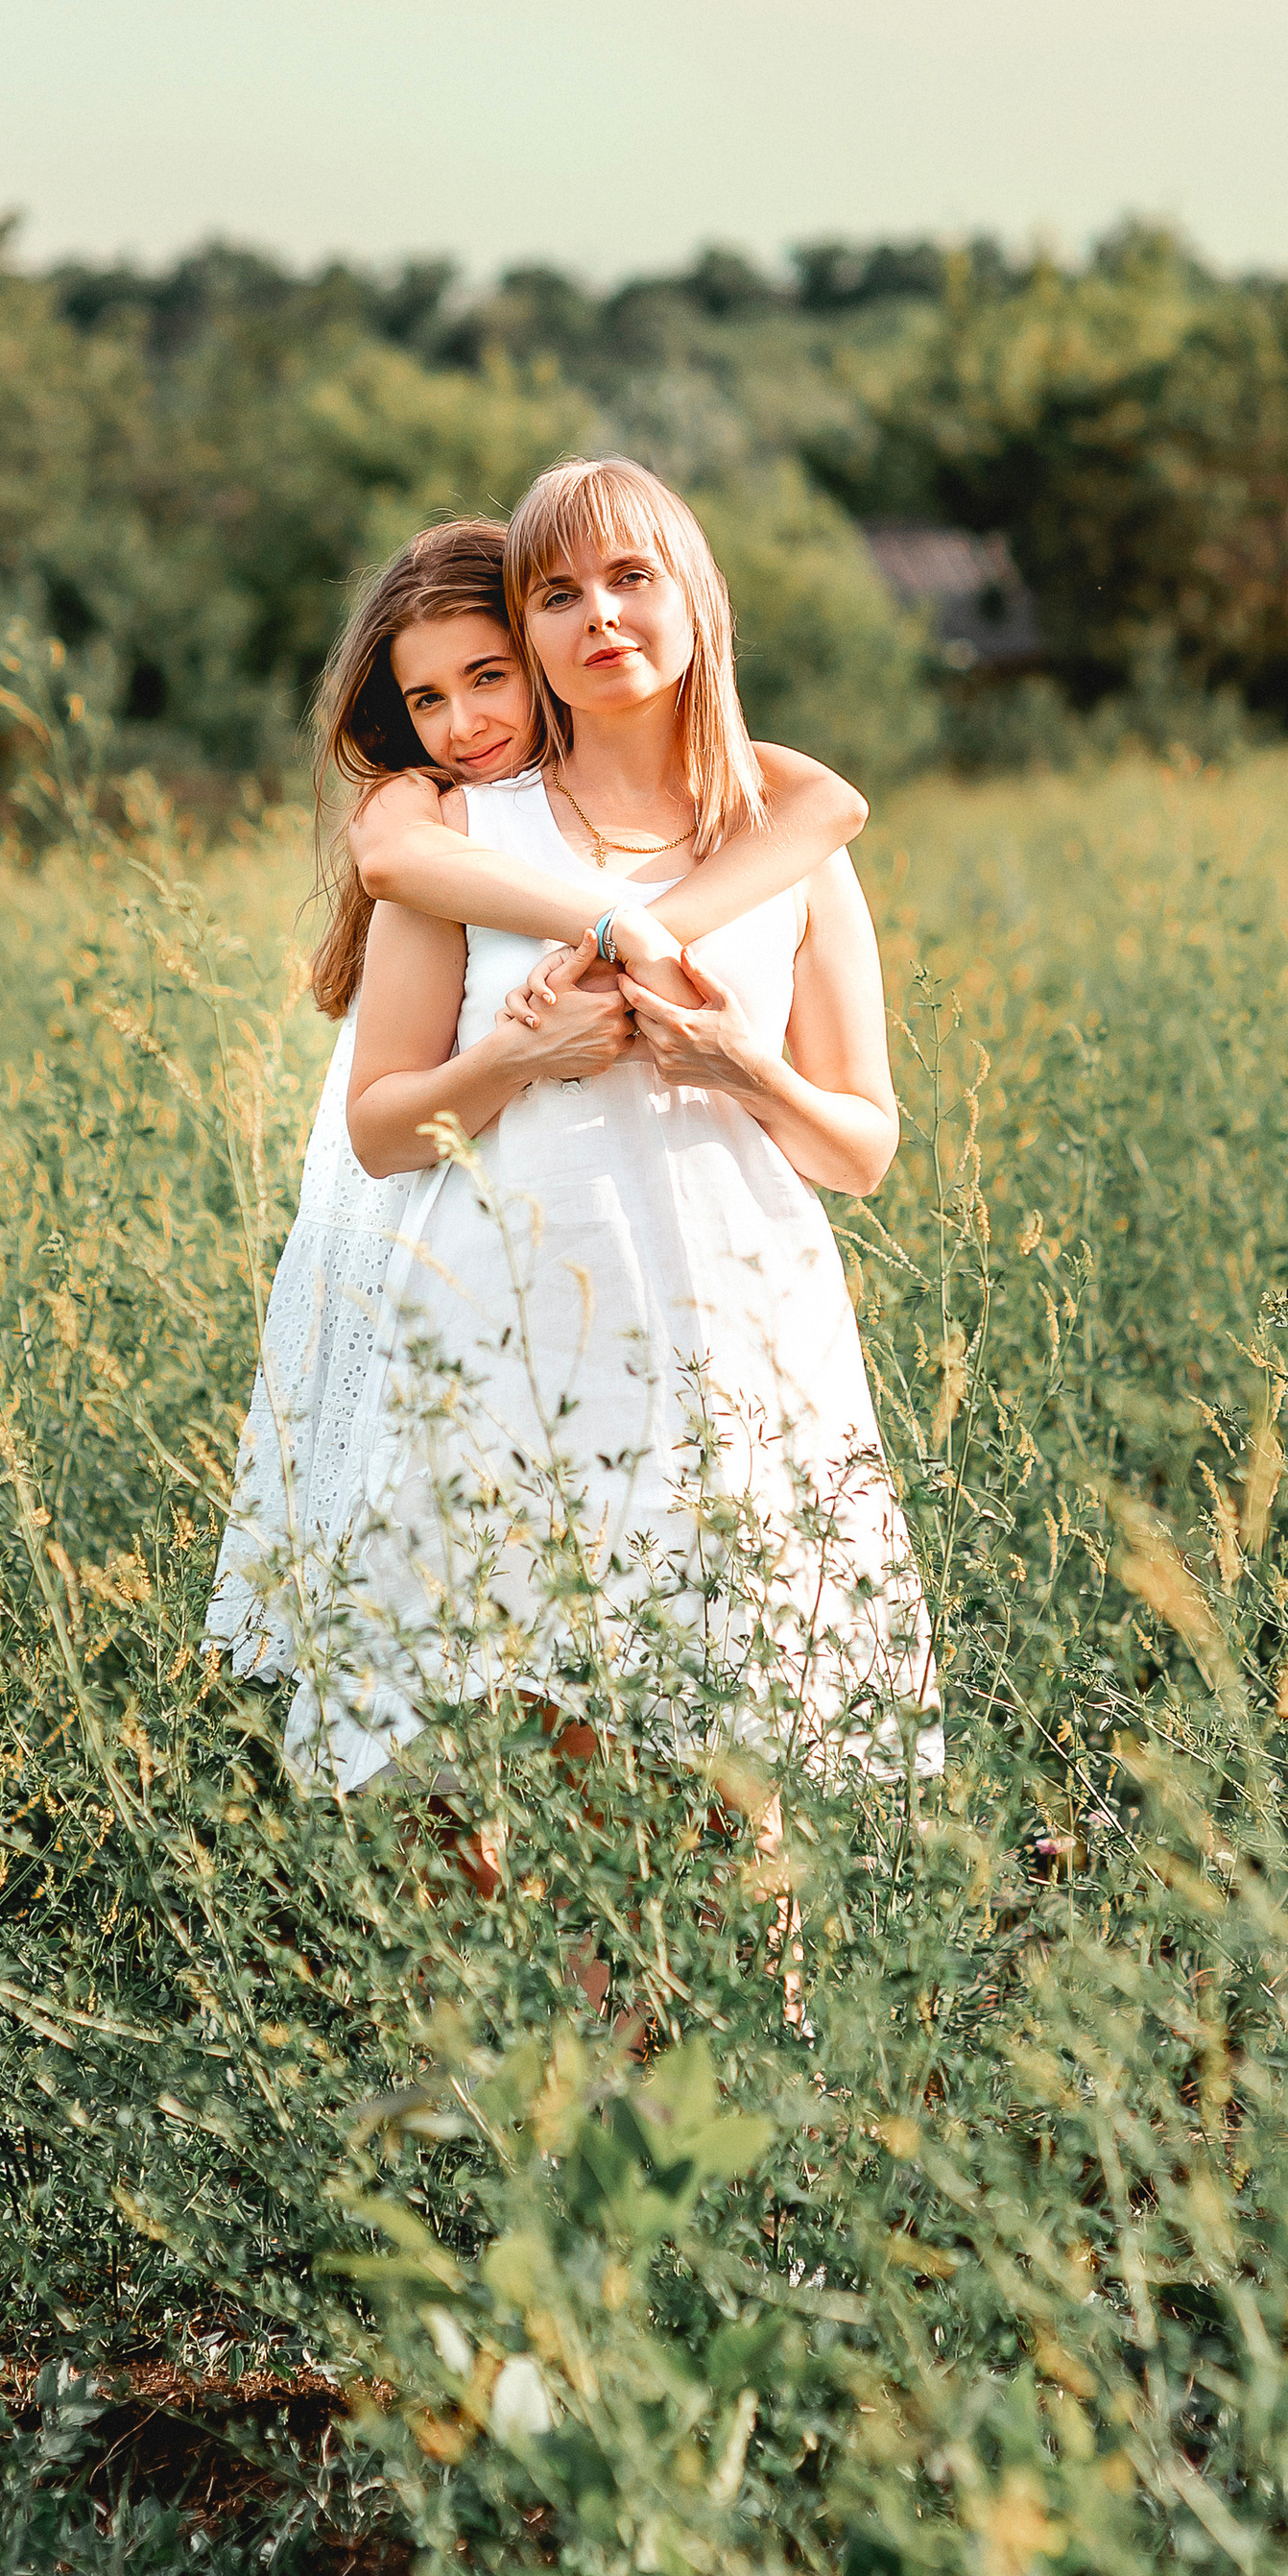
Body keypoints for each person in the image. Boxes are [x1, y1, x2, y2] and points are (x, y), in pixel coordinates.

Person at [310, 456, 939, 1801]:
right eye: (556, 595)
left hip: (740, 1337)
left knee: (745, 1756)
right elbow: (381, 1130)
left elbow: (862, 1149)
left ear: (695, 597)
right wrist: (516, 1055)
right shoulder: (470, 834)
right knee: (542, 1780)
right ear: (527, 634)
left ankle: (759, 2020)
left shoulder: (788, 843)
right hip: (518, 1345)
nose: (599, 617)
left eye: (632, 579)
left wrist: (740, 1064)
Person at [205, 517, 872, 1693]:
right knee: (521, 1722)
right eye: (424, 700)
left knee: (750, 1705)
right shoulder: (442, 823)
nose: (461, 724)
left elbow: (829, 805)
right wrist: (586, 966)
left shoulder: (769, 820)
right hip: (509, 1303)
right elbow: (391, 881)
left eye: (484, 676)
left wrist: (739, 1059)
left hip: (735, 1317)